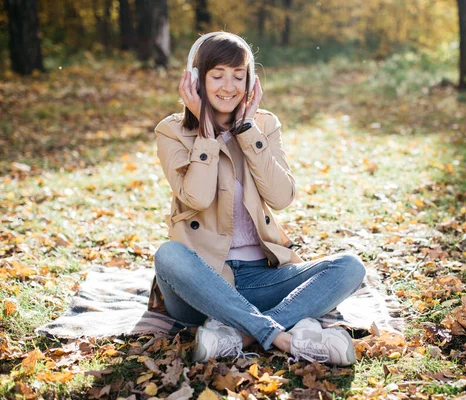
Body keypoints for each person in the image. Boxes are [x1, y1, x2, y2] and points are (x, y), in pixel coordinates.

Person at [148, 32, 366, 366]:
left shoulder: (264, 124)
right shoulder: (172, 131)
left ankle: (242, 334)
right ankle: (284, 337)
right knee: (169, 255)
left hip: (262, 276)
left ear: (250, 81)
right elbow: (197, 197)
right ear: (195, 80)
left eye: (238, 75)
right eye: (217, 75)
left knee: (350, 267)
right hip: (203, 281)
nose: (228, 86)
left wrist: (247, 131)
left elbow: (281, 197)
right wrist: (207, 133)